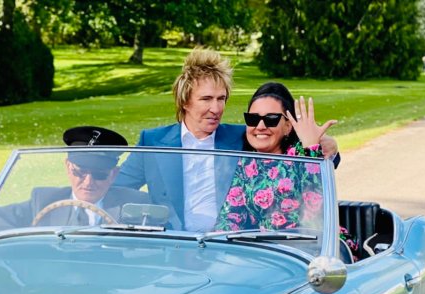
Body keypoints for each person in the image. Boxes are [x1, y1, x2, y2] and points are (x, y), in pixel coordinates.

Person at [115, 48, 339, 232]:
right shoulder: (153, 142)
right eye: (206, 99)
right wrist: (155, 206)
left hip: (227, 244)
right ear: (184, 101)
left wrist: (328, 144)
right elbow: (117, 188)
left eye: (221, 99)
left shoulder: (242, 135)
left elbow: (288, 146)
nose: (216, 109)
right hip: (172, 246)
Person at [214, 82, 359, 257]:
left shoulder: (302, 153)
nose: (260, 126)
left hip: (318, 249)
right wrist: (216, 245)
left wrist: (310, 147)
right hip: (268, 252)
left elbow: (315, 211)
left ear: (288, 126)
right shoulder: (246, 164)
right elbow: (232, 215)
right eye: (253, 119)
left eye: (271, 119)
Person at [0, 126, 147, 232]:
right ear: (68, 167)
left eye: (99, 175)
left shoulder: (136, 207)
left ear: (113, 174)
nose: (88, 182)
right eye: (80, 173)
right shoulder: (43, 201)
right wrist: (17, 244)